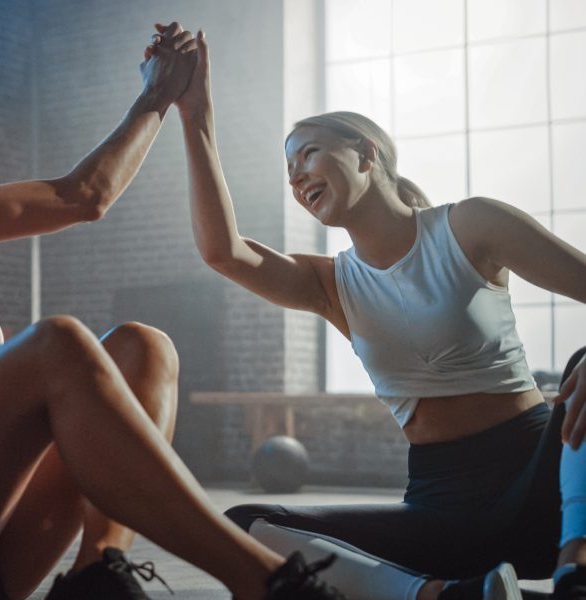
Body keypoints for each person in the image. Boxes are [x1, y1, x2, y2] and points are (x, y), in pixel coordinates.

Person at [0, 23, 349, 600]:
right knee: (57, 342)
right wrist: (153, 97)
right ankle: (262, 580)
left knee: (142, 347)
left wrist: (188, 106)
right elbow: (86, 197)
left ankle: (99, 571)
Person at [162, 22, 586, 600]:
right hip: (440, 505)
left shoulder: (472, 226)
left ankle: (573, 570)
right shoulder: (331, 283)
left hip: (544, 480)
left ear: (366, 154)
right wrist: (194, 114)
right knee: (247, 528)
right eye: (289, 171)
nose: (298, 176)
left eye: (308, 154)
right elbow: (223, 251)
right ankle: (441, 595)